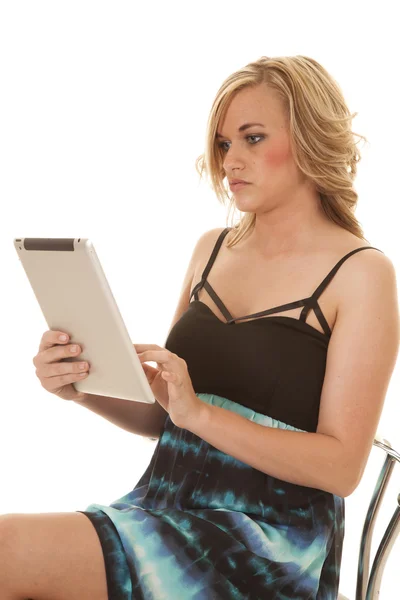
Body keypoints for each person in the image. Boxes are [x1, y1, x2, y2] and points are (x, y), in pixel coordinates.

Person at [1, 55, 399, 600]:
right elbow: (165, 412)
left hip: (265, 542)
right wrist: (79, 386)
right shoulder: (211, 250)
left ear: (309, 139)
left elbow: (342, 469)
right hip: (163, 505)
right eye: (222, 144)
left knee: (10, 548)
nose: (231, 160)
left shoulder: (361, 273)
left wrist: (199, 414)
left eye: (252, 138)